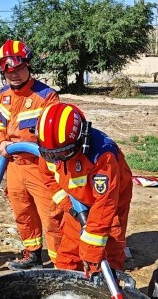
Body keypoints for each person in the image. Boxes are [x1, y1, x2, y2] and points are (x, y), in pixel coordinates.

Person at [35, 102, 133, 277]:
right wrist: (70, 206)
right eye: (50, 155)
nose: (56, 159)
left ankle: (107, 292)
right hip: (77, 203)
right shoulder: (52, 149)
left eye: (63, 154)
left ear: (81, 139)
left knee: (106, 252)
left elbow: (105, 206)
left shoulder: (102, 156)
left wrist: (92, 254)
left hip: (110, 202)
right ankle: (68, 296)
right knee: (68, 256)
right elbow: (48, 175)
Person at [0, 39, 63, 270]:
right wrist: (1, 140)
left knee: (52, 216)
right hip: (13, 164)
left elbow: (54, 132)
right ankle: (32, 255)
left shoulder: (46, 96)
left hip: (40, 166)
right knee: (23, 212)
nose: (15, 75)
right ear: (3, 71)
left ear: (28, 66)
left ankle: (62, 263)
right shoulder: (3, 96)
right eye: (9, 71)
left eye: (19, 69)